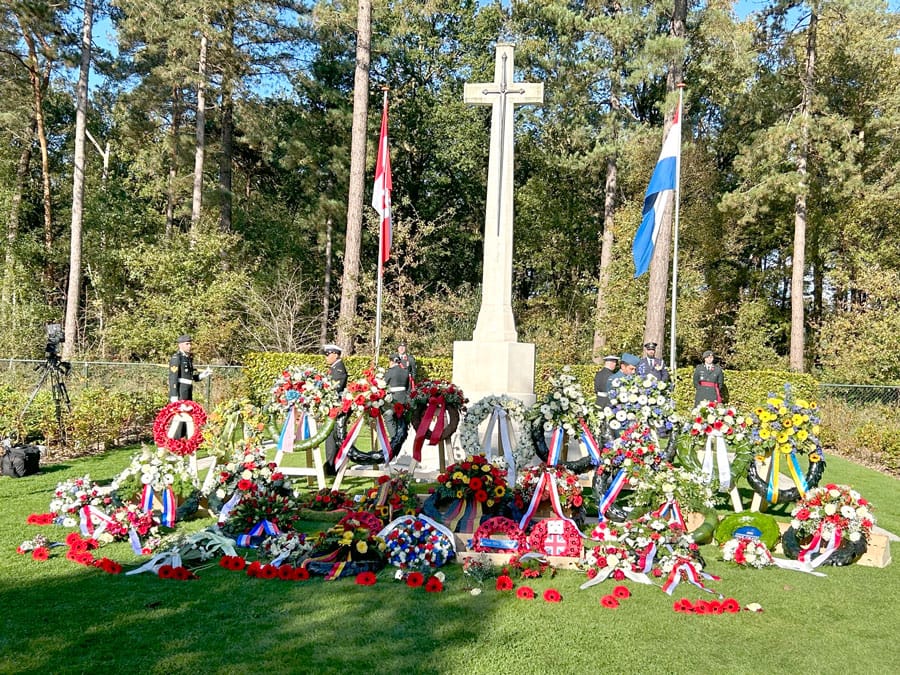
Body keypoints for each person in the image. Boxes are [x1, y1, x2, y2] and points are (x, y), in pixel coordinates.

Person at [323, 344, 348, 475]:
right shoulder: (334, 368)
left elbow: (336, 388)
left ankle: (332, 465)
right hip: (333, 405)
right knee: (331, 436)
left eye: (328, 354)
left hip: (336, 406)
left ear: (336, 355)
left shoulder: (338, 369)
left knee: (332, 436)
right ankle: (331, 464)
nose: (326, 357)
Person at [168, 335, 210, 402]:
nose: (189, 346)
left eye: (190, 344)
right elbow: (173, 378)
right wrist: (174, 395)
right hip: (180, 392)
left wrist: (201, 375)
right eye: (187, 344)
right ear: (180, 345)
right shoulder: (177, 358)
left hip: (188, 390)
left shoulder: (187, 358)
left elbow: (187, 376)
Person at [383, 354, 409, 438]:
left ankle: (394, 438)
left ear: (391, 361)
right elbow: (408, 386)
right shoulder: (405, 371)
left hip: (394, 399)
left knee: (389, 418)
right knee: (401, 420)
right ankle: (402, 437)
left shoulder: (390, 371)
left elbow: (384, 383)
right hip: (404, 397)